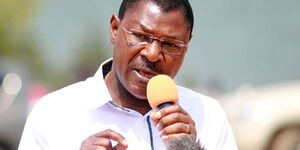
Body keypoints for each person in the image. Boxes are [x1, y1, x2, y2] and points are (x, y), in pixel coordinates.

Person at [18, 0, 238, 149]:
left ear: (186, 47)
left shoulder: (207, 115)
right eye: (141, 36)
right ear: (115, 29)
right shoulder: (53, 114)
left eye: (170, 44)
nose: (153, 54)